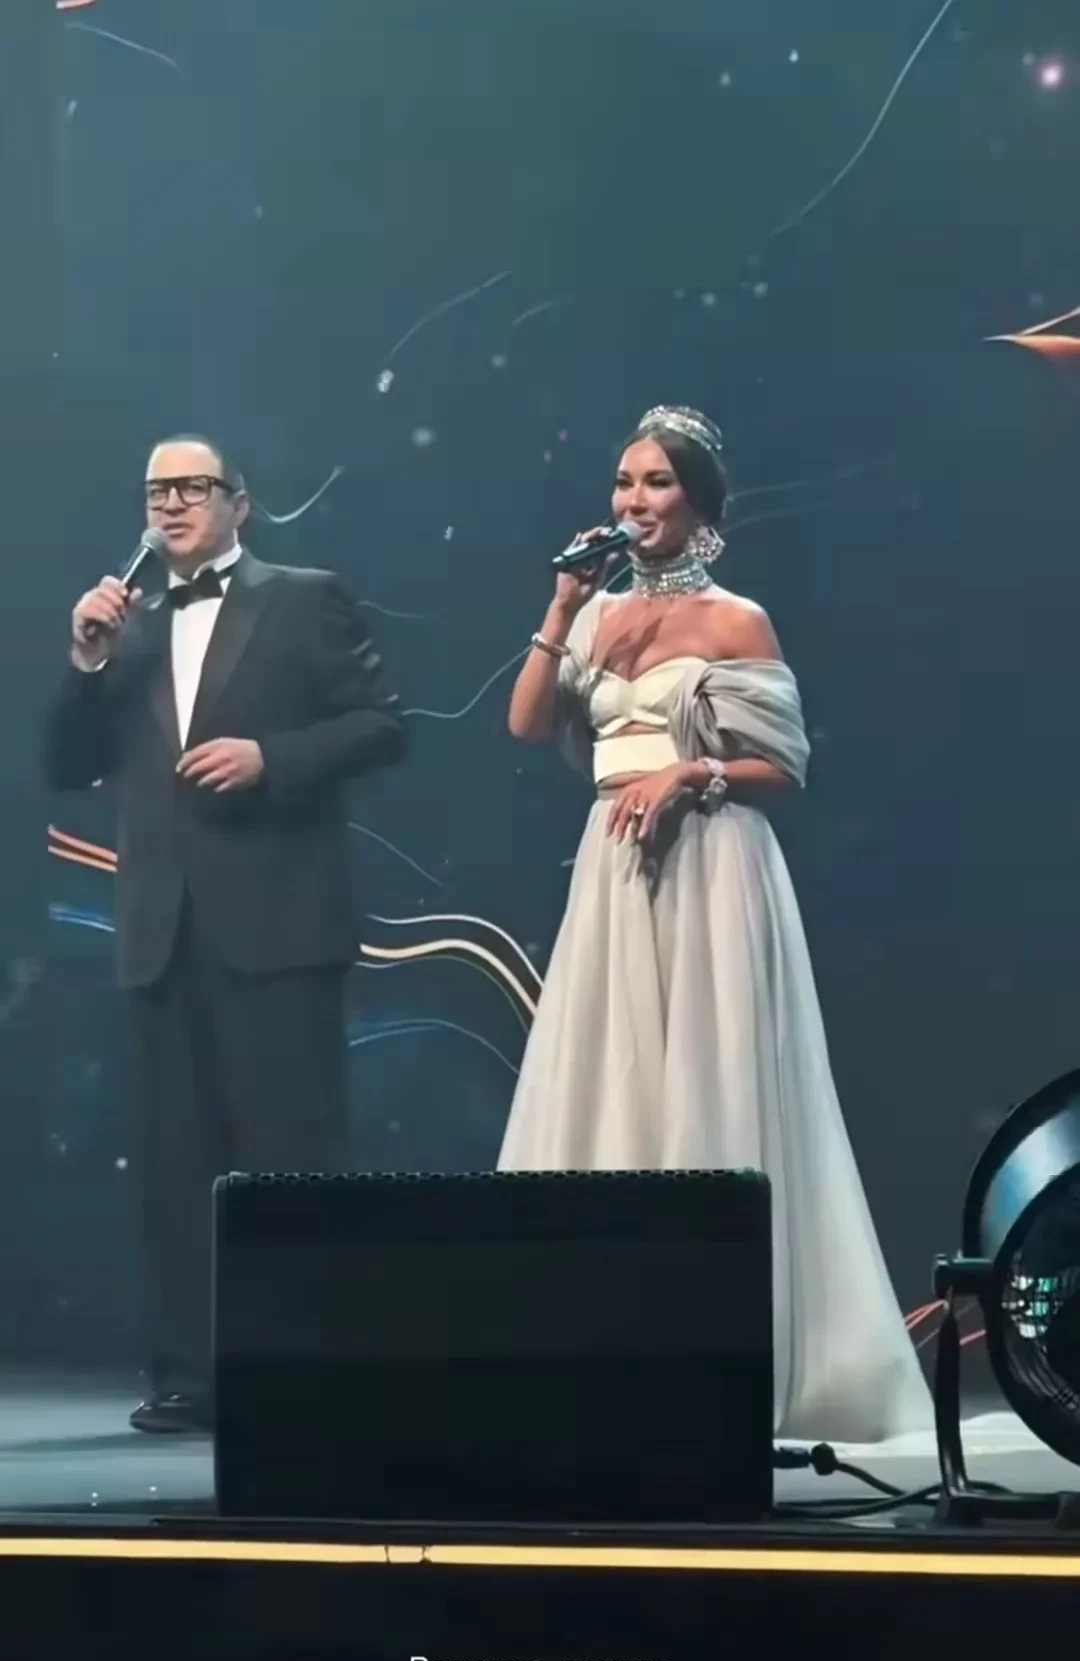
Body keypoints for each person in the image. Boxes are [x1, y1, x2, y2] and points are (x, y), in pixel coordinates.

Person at [500, 405, 931, 1445]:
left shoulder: (738, 621)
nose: (634, 500)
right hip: (613, 871)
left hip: (710, 861)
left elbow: (784, 769)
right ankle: (612, 1346)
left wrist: (692, 774)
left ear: (697, 503)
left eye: (656, 483)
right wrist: (561, 607)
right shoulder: (597, 614)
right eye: (623, 482)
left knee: (711, 1079)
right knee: (613, 1083)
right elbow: (526, 722)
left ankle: (727, 1351)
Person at [43, 435, 406, 1434]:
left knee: (293, 1159)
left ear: (239, 503)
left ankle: (306, 1369)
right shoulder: (126, 626)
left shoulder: (303, 598)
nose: (170, 504)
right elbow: (65, 766)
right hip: (163, 931)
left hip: (280, 921)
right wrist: (85, 662)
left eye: (191, 487)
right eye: (155, 490)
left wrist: (270, 758)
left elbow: (382, 724)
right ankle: (188, 1376)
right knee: (175, 1166)